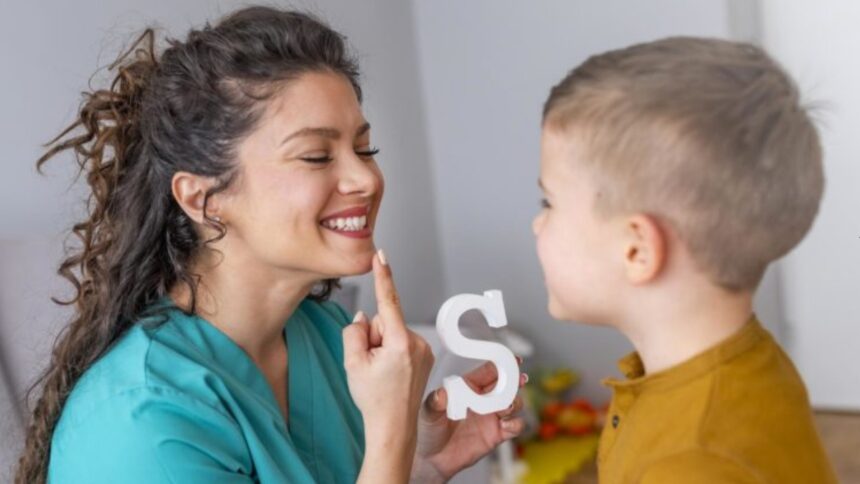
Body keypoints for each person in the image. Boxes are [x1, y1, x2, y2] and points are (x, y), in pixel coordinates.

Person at [16, 7, 525, 483]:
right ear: (205, 198)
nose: (366, 178)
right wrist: (392, 429)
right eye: (315, 156)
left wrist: (422, 462)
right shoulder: (144, 422)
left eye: (364, 148)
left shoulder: (326, 335)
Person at [532, 37, 838, 483]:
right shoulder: (748, 361)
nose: (537, 225)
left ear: (637, 249)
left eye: (548, 202)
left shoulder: (692, 463)